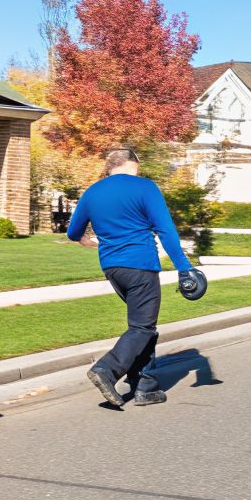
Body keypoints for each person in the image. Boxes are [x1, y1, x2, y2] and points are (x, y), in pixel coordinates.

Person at [66, 147, 195, 407]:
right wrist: (184, 267)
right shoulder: (144, 187)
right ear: (133, 163)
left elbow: (73, 232)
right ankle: (107, 369)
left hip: (113, 269)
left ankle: (145, 386)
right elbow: (166, 230)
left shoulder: (92, 192)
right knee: (142, 327)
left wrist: (93, 243)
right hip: (141, 265)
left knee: (142, 325)